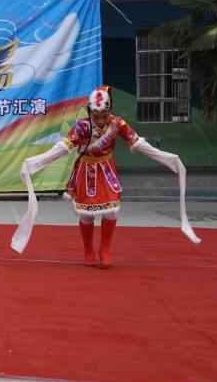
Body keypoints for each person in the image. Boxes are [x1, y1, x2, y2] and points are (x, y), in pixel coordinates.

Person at [11, 85, 200, 267]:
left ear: (109, 111)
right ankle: (88, 251)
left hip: (107, 170)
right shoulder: (82, 127)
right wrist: (37, 161)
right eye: (96, 116)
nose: (101, 120)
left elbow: (136, 143)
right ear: (89, 111)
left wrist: (168, 158)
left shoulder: (117, 123)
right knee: (87, 214)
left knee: (111, 210)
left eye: (104, 115)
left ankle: (105, 249)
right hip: (86, 171)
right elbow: (64, 146)